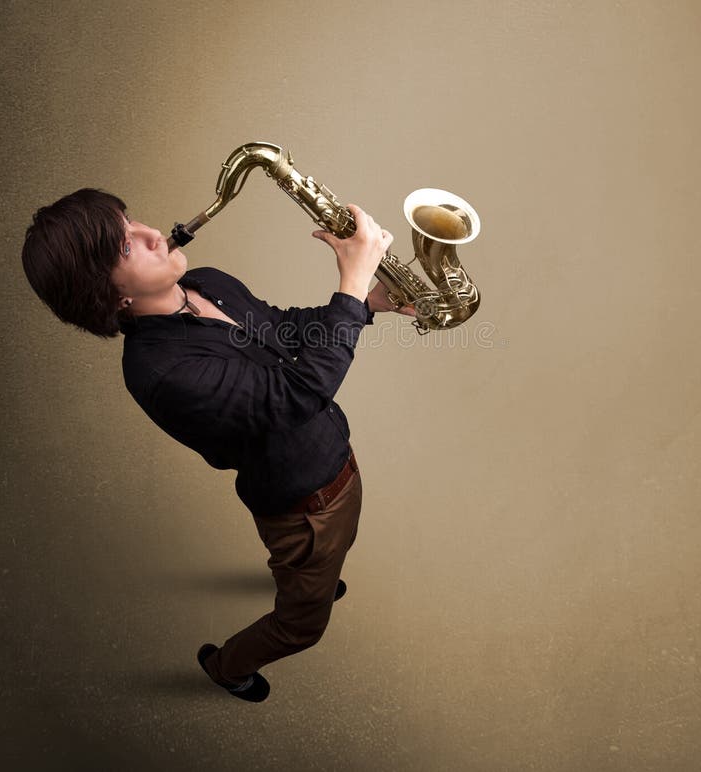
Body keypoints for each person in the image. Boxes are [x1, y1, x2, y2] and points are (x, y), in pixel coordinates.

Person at [21, 187, 414, 703]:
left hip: (334, 462)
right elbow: (297, 395)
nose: (150, 233)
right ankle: (226, 667)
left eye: (131, 219)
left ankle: (312, 576)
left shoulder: (204, 282)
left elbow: (285, 331)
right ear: (108, 294)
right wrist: (351, 282)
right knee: (303, 627)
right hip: (305, 509)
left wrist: (365, 303)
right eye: (124, 246)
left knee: (327, 559)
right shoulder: (161, 374)